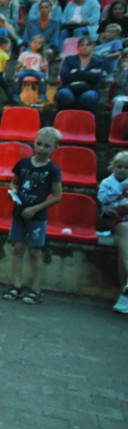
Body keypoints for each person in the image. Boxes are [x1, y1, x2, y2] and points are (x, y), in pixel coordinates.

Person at [2, 127, 62, 305]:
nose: (42, 149)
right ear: (34, 143)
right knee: (17, 248)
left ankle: (36, 289)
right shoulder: (23, 164)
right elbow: (15, 184)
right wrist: (12, 191)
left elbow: (57, 196)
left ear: (54, 148)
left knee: (35, 252)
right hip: (19, 213)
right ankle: (16, 285)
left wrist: (35, 209)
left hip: (36, 216)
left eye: (47, 146)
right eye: (39, 144)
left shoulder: (52, 170)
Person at [98, 151, 128, 314]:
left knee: (124, 240)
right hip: (120, 220)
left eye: (127, 168)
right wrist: (117, 206)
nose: (123, 170)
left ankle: (125, 296)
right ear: (113, 168)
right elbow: (104, 201)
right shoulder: (108, 183)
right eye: (120, 167)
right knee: (123, 230)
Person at [55, 36, 105, 112]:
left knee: (89, 97)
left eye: (88, 45)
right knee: (64, 94)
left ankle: (87, 121)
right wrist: (88, 74)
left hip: (89, 89)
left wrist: (76, 72)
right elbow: (64, 76)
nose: (85, 47)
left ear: (93, 47)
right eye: (82, 45)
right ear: (78, 47)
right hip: (68, 87)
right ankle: (63, 120)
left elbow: (96, 78)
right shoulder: (69, 59)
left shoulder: (98, 62)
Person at [13, 35, 49, 101]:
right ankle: (15, 94)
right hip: (25, 70)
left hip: (35, 71)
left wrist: (42, 68)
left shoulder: (41, 55)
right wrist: (21, 67)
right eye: (35, 42)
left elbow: (43, 66)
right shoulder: (24, 53)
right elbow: (19, 64)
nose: (36, 45)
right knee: (18, 75)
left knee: (42, 76)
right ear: (31, 43)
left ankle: (41, 95)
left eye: (39, 43)